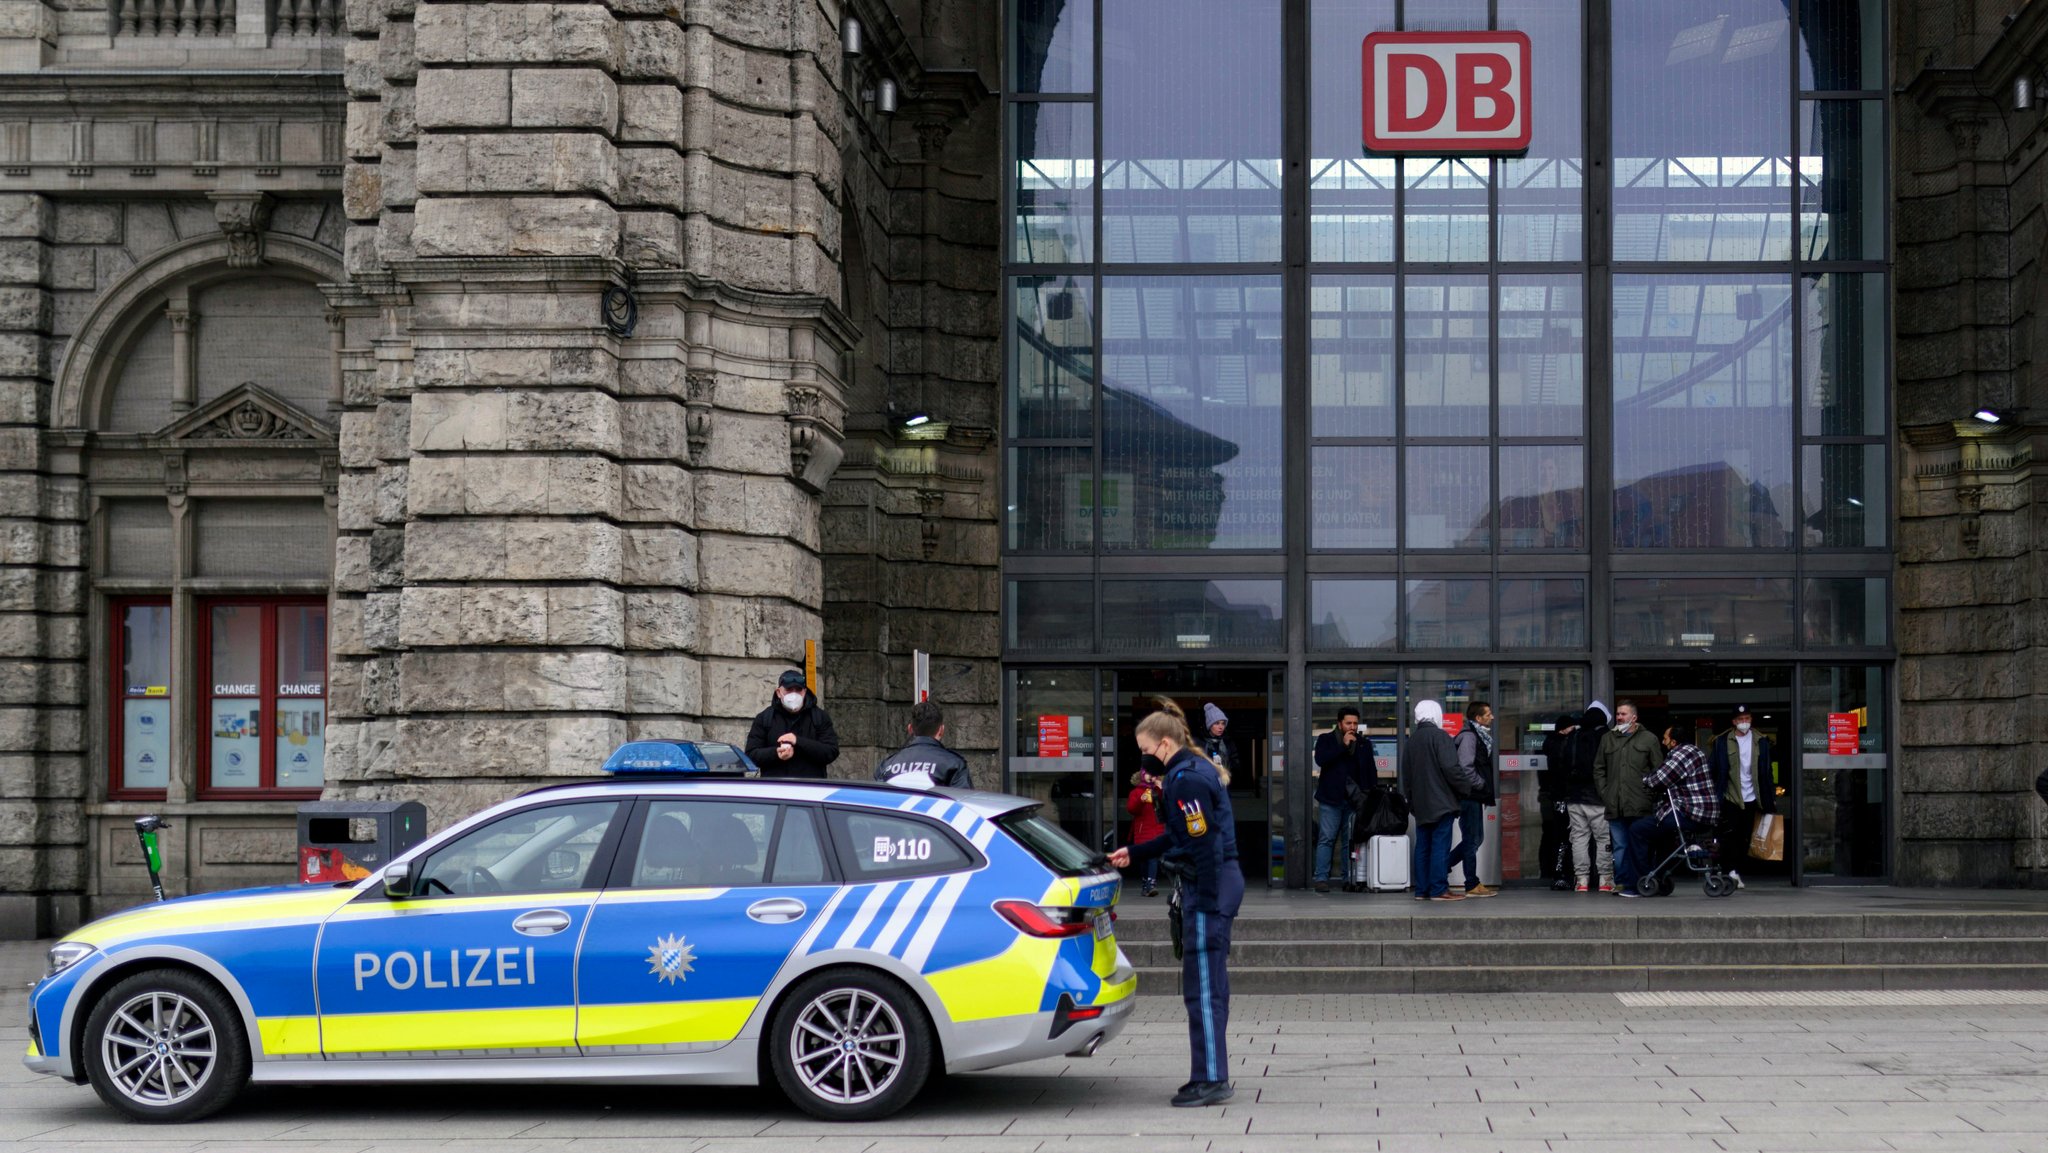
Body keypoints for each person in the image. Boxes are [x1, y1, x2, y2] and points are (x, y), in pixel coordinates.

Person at [1107, 700, 1240, 1108]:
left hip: (1207, 886)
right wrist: (1135, 849)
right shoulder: (1192, 771)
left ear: (1163, 744)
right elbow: (1183, 836)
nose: (1143, 756)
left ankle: (1212, 1079)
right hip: (1212, 884)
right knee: (1206, 986)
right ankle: (1207, 1074)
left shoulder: (1186, 780)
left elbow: (1202, 848)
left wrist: (1206, 905)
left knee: (1202, 989)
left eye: (1145, 748)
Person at [1622, 725, 1722, 894]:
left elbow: (1659, 779)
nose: (1663, 741)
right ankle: (1660, 877)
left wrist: (1644, 778)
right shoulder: (1695, 751)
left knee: (1637, 829)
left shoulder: (1681, 754)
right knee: (1663, 836)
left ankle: (1641, 881)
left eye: (1665, 738)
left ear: (1674, 741)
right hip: (1704, 814)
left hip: (1690, 812)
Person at [1401, 699, 1482, 902]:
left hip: (1421, 803)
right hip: (1442, 802)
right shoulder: (1441, 737)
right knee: (1440, 845)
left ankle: (1422, 890)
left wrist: (1411, 801)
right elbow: (1451, 769)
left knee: (1423, 846)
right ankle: (1439, 889)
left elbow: (1406, 775)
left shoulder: (1411, 741)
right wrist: (1465, 788)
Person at [1595, 699, 1663, 894]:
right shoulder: (1607, 738)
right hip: (1615, 803)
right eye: (1617, 714)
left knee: (1640, 846)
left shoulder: (1649, 739)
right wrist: (1605, 792)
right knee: (1619, 847)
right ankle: (1623, 882)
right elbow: (1598, 768)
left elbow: (1658, 770)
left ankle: (1644, 882)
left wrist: (1649, 794)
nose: (1619, 717)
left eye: (1623, 714)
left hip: (1640, 804)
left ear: (1634, 717)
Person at [1706, 705, 1775, 889]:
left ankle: (1735, 869)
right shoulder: (1722, 742)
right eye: (1740, 719)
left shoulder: (1761, 741)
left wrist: (1770, 799)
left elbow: (1766, 772)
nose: (1744, 722)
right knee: (1729, 835)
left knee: (1745, 836)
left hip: (1753, 797)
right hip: (1731, 796)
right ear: (1734, 722)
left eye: (1747, 718)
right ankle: (1730, 871)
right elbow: (1713, 770)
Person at [1311, 707, 1374, 893]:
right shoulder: (1326, 740)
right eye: (1348, 723)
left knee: (1350, 841)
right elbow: (1321, 760)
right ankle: (1321, 878)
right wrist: (1343, 746)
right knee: (1326, 839)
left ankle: (1349, 879)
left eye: (1355, 723)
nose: (1352, 727)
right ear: (1339, 724)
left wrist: (1368, 795)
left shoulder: (1363, 743)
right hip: (1331, 799)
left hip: (1353, 801)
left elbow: (1370, 771)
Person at [745, 669, 841, 778]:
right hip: (775, 789)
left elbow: (831, 751)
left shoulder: (819, 717)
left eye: (798, 690)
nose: (794, 694)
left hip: (811, 788)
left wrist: (798, 741)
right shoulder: (765, 718)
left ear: (804, 692)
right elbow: (751, 755)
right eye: (789, 690)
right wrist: (776, 753)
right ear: (778, 692)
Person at [1448, 700, 1499, 898]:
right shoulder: (1470, 737)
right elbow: (1466, 767)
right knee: (1472, 839)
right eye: (1488, 714)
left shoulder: (1479, 736)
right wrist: (1481, 784)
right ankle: (1471, 883)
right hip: (1470, 795)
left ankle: (1444, 866)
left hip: (1474, 796)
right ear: (1478, 718)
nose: (1492, 717)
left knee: (1475, 838)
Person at [1564, 703, 1612, 892]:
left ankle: (1581, 880)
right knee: (1603, 839)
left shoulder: (1573, 737)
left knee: (1579, 838)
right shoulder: (1604, 738)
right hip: (1597, 798)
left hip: (1574, 797)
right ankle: (1605, 880)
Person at [872, 699, 972, 790]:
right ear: (941, 730)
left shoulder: (887, 765)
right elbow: (963, 803)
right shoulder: (954, 764)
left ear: (910, 729)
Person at [1538, 712, 1578, 890]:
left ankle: (1553, 872)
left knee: (1553, 835)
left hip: (1552, 798)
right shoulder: (1564, 746)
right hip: (1564, 796)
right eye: (1572, 728)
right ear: (1565, 729)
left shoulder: (1549, 745)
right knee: (1566, 837)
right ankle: (1563, 874)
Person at [1126, 760, 1168, 897]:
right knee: (1144, 859)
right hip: (1142, 831)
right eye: (1149, 774)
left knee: (1153, 857)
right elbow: (1132, 809)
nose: (1152, 777)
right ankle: (1145, 883)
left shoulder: (1159, 789)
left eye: (1154, 774)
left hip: (1157, 829)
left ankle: (1151, 884)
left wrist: (1161, 788)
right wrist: (1141, 800)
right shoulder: (1136, 792)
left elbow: (1167, 803)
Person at [1202, 703, 1234, 781]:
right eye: (1217, 723)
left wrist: (1226, 767)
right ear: (1210, 725)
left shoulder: (1228, 743)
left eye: (1223, 723)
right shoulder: (1201, 743)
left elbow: (1235, 764)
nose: (1221, 727)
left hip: (1225, 783)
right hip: (1206, 782)